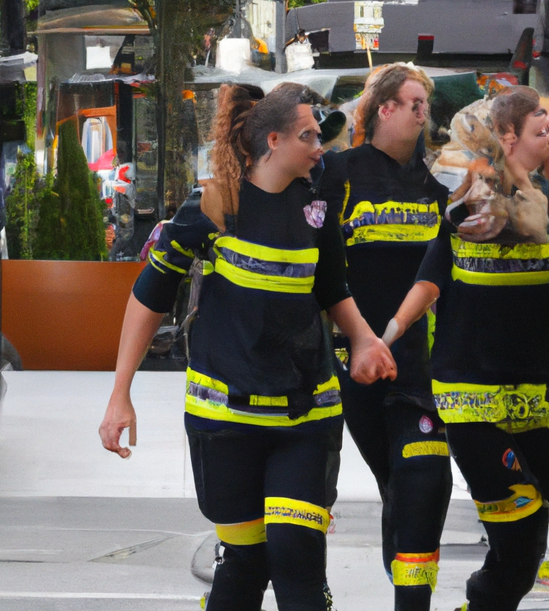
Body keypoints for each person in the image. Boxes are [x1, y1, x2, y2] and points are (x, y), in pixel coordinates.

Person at [100, 82, 396, 610]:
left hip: (305, 415)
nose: (318, 146)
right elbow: (149, 295)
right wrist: (120, 394)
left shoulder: (318, 206)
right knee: (245, 565)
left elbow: (331, 288)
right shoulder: (214, 206)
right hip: (225, 421)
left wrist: (365, 339)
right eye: (307, 136)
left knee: (296, 552)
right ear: (273, 141)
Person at [388, 85, 549, 611]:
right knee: (521, 529)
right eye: (540, 129)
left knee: (524, 555)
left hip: (539, 397)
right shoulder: (469, 209)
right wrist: (382, 340)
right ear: (508, 137)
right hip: (471, 398)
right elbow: (430, 281)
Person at [320, 64, 452, 610]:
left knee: (423, 476)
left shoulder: (437, 183)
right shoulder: (339, 171)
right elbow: (319, 268)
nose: (423, 113)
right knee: (397, 483)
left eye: (426, 104)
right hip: (358, 365)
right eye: (413, 102)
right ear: (383, 110)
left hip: (423, 366)